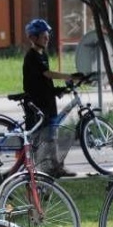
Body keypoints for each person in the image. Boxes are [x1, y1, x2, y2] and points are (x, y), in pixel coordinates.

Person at [22, 18, 84, 177]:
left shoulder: (43, 54)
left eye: (47, 35)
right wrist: (68, 76)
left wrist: (57, 90)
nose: (47, 38)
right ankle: (39, 170)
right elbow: (46, 74)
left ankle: (56, 167)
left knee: (52, 135)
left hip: (47, 101)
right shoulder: (32, 56)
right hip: (37, 103)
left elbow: (45, 81)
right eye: (43, 35)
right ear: (33, 38)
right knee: (43, 137)